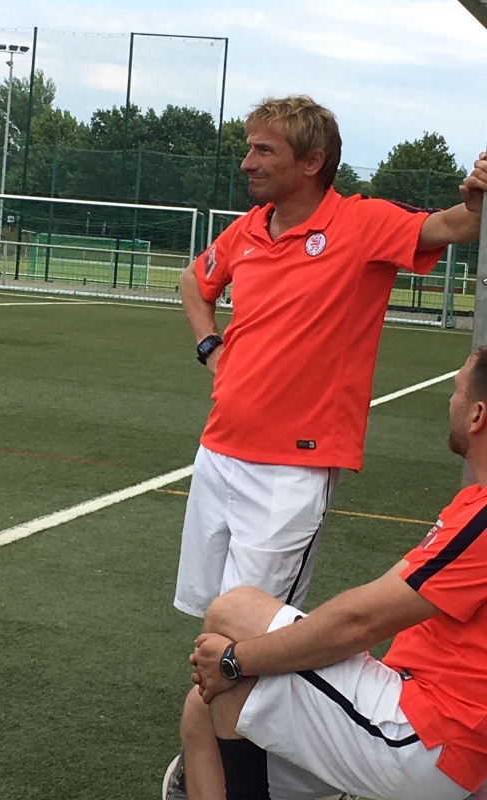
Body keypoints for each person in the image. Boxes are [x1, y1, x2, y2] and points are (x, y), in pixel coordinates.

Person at [166, 93, 487, 800]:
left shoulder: (361, 222)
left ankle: (245, 763)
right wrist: (210, 346)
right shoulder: (248, 230)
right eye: (249, 147)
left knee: (250, 638)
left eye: (264, 150)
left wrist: (474, 198)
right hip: (219, 452)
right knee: (214, 616)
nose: (247, 162)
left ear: (312, 162)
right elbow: (194, 280)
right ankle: (232, 746)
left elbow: (454, 225)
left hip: (292, 469)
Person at [189, 347, 487, 800]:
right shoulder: (473, 504)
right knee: (201, 710)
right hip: (422, 717)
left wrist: (236, 660)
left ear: (477, 415)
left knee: (233, 617)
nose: (450, 402)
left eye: (456, 391)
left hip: (430, 737)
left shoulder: (483, 520)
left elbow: (359, 622)